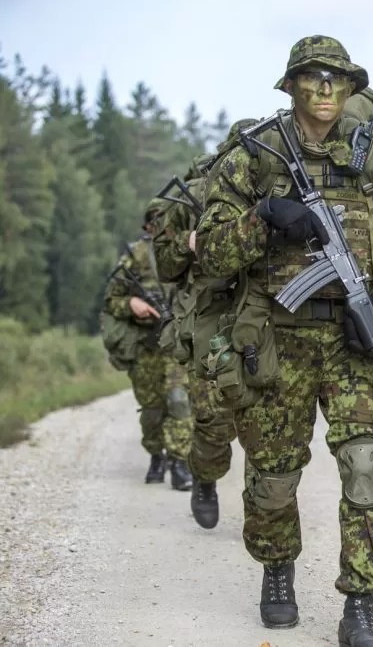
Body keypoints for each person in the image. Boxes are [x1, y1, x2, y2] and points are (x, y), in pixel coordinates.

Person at [195, 35, 373, 647]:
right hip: (276, 336)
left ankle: (360, 605)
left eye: (337, 79)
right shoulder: (255, 154)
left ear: (350, 89)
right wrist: (265, 215)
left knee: (365, 467)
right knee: (272, 477)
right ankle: (277, 570)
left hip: (354, 340)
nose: (325, 88)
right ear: (292, 85)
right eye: (313, 77)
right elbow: (211, 252)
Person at [150, 125, 254, 530]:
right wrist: (189, 244)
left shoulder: (274, 189)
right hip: (211, 318)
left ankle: (264, 512)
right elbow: (165, 266)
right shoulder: (191, 197)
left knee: (270, 424)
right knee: (213, 419)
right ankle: (206, 479)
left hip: (266, 312)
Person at [101, 203, 194, 491]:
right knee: (152, 409)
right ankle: (156, 455)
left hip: (177, 344)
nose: (161, 228)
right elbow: (111, 300)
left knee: (179, 400)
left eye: (166, 222)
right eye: (155, 223)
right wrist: (131, 303)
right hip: (146, 345)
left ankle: (179, 463)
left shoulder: (186, 253)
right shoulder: (135, 256)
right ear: (147, 227)